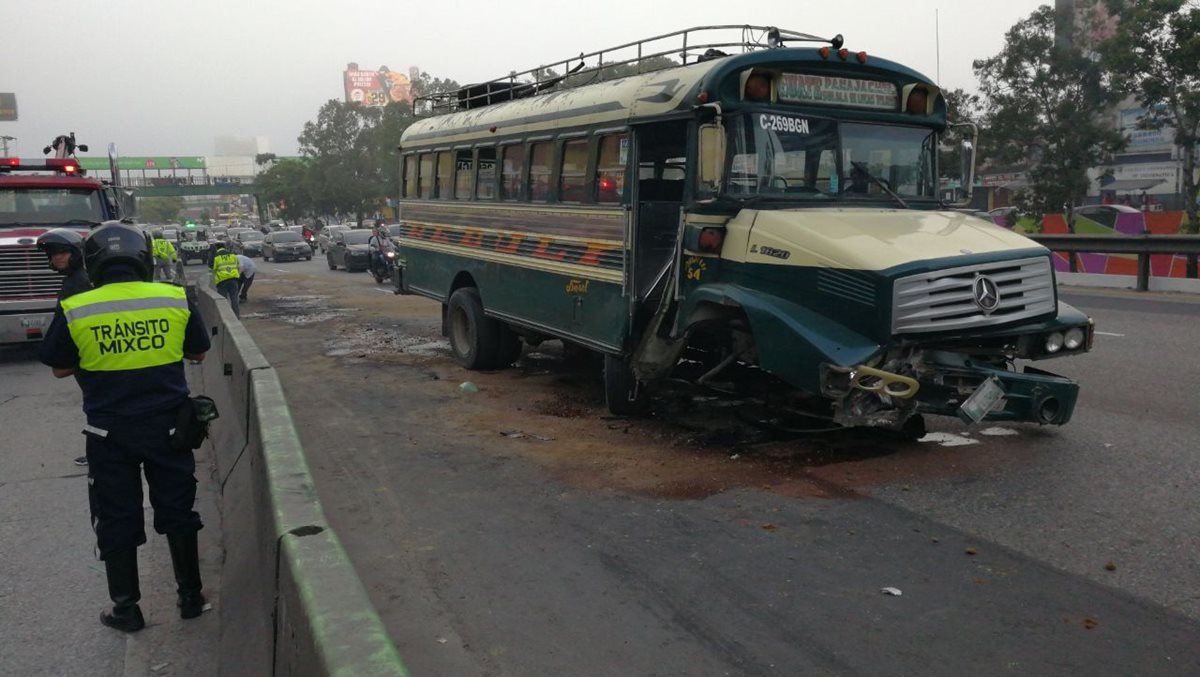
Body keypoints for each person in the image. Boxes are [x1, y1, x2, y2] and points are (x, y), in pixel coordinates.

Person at [37, 221, 212, 633]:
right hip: (170, 430)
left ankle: (126, 609)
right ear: (144, 259)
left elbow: (60, 367)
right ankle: (190, 598)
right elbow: (199, 354)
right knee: (178, 511)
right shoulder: (173, 298)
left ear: (93, 262)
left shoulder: (78, 306)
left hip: (109, 435)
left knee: (117, 517)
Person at [36, 228, 93, 466]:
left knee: (96, 405)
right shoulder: (77, 279)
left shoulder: (78, 283)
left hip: (87, 357)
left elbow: (67, 325)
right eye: (52, 254)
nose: (56, 258)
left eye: (61, 252)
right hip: (88, 355)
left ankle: (99, 452)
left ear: (76, 253)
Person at [210, 244, 241, 317]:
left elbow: (213, 268)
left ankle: (226, 316)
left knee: (223, 301)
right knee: (234, 299)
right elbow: (238, 265)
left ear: (217, 248)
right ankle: (236, 316)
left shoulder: (216, 256)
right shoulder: (232, 255)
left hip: (222, 281)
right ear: (225, 247)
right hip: (234, 279)